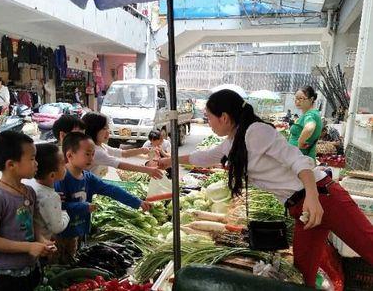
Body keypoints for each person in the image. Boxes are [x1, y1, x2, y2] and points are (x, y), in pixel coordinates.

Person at [158, 89, 373, 287]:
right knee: (303, 275)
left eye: (209, 117)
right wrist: (169, 161)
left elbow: (297, 160)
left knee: (368, 246)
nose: (208, 121)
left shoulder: (256, 132)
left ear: (223, 117)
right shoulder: (234, 140)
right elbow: (205, 156)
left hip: (322, 197)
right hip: (302, 209)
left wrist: (313, 196)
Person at [54, 132, 152, 263]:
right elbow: (57, 208)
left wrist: (137, 202)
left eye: (93, 154)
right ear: (70, 155)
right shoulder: (61, 179)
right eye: (87, 154)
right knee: (62, 266)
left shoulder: (88, 177)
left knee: (75, 261)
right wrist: (83, 207)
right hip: (63, 236)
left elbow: (111, 190)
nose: (91, 158)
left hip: (80, 230)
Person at [0, 131, 55, 291]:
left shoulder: (29, 192)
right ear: (11, 165)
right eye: (32, 159)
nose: (37, 163)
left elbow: (33, 223)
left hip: (30, 268)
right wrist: (28, 247)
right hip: (4, 275)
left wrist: (41, 241)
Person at [82, 112, 163, 179]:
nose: (108, 131)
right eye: (104, 128)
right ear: (93, 130)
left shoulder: (101, 146)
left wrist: (142, 150)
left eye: (108, 128)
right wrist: (148, 170)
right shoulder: (96, 151)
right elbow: (119, 164)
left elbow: (123, 153)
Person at [25, 144, 69, 240]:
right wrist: (65, 214)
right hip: (44, 243)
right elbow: (57, 227)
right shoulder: (50, 197)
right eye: (62, 163)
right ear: (52, 175)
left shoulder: (32, 187)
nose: (66, 164)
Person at [289, 86, 322, 161]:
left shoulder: (310, 115)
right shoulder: (310, 113)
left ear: (311, 99)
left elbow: (309, 127)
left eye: (301, 98)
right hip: (297, 158)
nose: (297, 101)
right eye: (296, 98)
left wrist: (300, 142)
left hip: (300, 158)